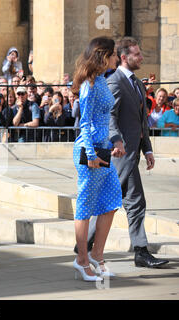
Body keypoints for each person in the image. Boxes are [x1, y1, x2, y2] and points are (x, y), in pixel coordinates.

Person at [80, 37, 170, 269]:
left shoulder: (137, 84)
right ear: (123, 57)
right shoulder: (114, 82)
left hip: (130, 153)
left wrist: (147, 148)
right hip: (115, 154)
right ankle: (83, 247)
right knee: (108, 201)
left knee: (135, 201)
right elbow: (108, 116)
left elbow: (141, 122)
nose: (141, 58)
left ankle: (139, 251)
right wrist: (117, 141)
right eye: (137, 54)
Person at [70, 36, 122, 282]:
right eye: (114, 54)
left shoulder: (101, 80)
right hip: (90, 151)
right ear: (104, 55)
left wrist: (111, 142)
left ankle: (96, 254)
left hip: (102, 149)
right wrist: (90, 155)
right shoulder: (89, 85)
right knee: (85, 207)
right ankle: (81, 260)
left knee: (112, 200)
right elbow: (85, 122)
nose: (117, 58)